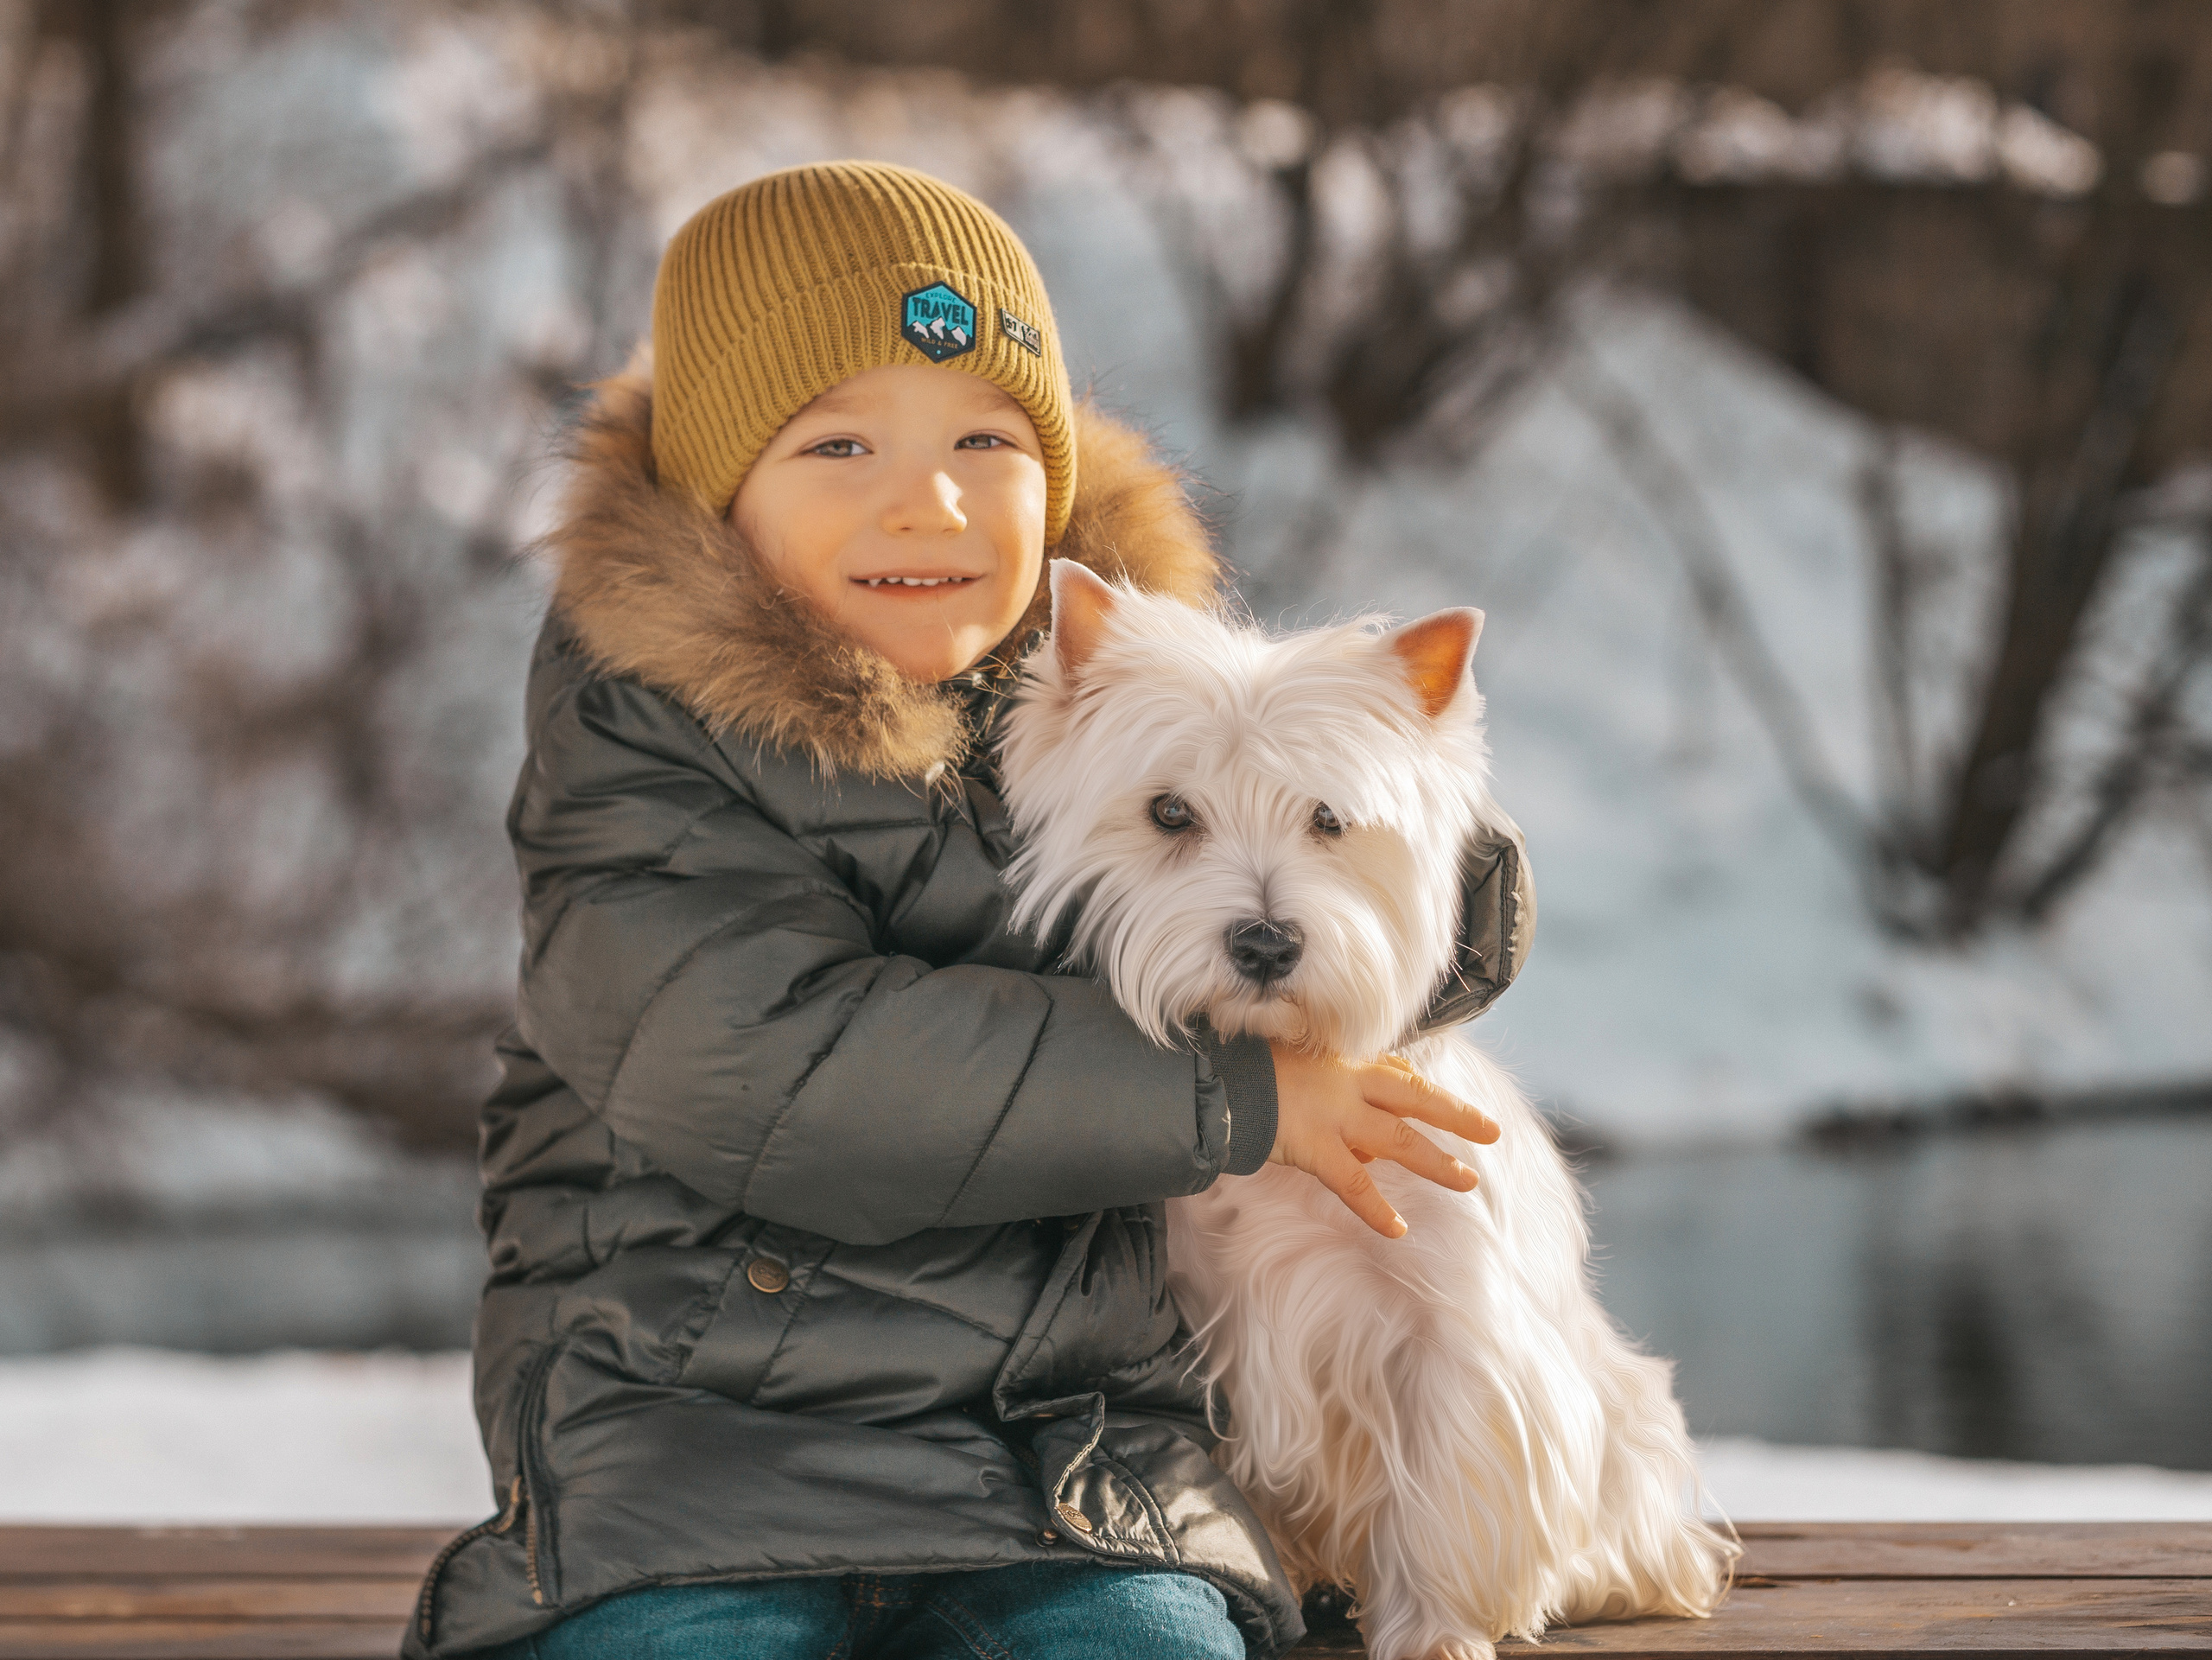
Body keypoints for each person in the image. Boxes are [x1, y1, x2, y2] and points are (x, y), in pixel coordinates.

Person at [404, 161, 1535, 1660]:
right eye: (841, 440)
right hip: (690, 1457)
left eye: (985, 438)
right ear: (717, 485)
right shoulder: (636, 755)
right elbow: (775, 1072)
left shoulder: (1112, 700)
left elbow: (1341, 850)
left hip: (1071, 1463)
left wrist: (1404, 905)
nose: (926, 496)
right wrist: (1233, 1097)